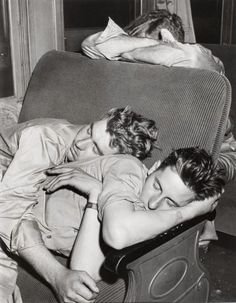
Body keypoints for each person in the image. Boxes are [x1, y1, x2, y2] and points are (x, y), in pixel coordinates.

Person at [14, 147, 224, 301]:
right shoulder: (129, 170)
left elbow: (84, 269)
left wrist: (96, 195)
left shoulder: (148, 221)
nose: (153, 203)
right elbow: (118, 233)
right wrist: (189, 211)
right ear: (155, 167)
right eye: (157, 186)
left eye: (171, 202)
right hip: (13, 196)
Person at [0, 106, 158, 303]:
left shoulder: (114, 167)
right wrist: (57, 275)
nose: (80, 142)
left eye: (96, 149)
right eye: (90, 130)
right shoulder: (47, 138)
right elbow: (7, 209)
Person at [81, 10, 224, 73]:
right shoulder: (140, 50)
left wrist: (127, 53)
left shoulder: (197, 59)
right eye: (135, 40)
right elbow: (91, 44)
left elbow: (195, 59)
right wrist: (150, 43)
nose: (134, 48)